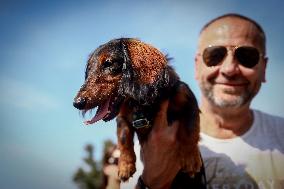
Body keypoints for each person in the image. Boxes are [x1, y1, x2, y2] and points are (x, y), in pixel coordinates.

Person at [122, 13, 284, 189]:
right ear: (196, 66)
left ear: (264, 68)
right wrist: (151, 182)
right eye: (215, 55)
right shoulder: (145, 147)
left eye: (247, 56)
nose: (229, 69)